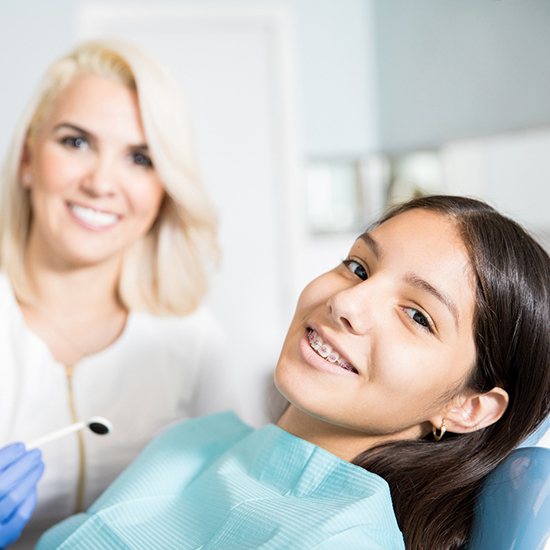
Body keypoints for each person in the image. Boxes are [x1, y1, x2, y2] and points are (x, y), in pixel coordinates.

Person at [36, 195, 550, 549]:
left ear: (466, 407)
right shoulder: (197, 442)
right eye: (358, 267)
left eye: (417, 315)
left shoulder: (342, 539)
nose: (348, 301)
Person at [0, 40, 238, 547]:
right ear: (26, 159)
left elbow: (227, 517)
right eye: (75, 142)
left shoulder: (193, 341)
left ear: (164, 190)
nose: (101, 182)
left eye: (139, 157)